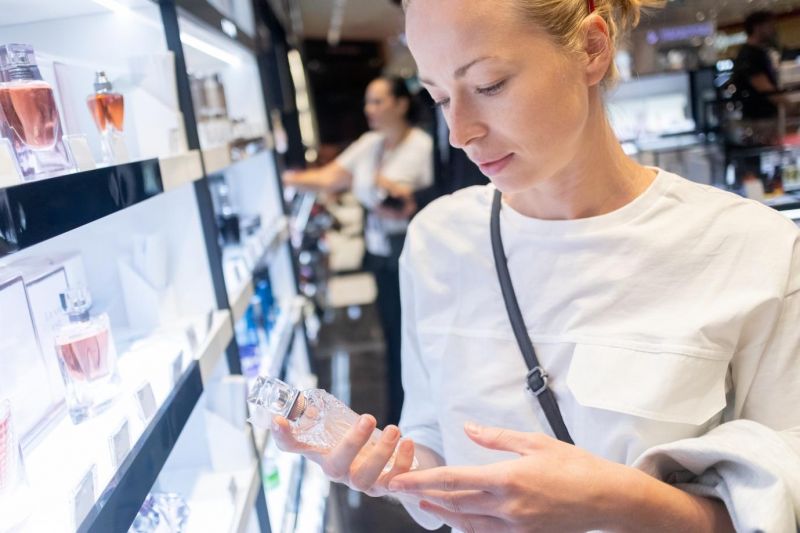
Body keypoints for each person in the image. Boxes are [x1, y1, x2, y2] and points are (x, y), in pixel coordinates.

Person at [274, 1, 800, 532]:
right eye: (437, 97)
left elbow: (787, 497)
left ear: (591, 48)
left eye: (489, 85)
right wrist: (394, 473)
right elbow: (433, 436)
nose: (460, 132)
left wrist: (624, 503)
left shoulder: (750, 248)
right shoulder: (438, 242)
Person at [284, 76, 433, 427]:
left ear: (400, 103)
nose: (370, 110)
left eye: (378, 101)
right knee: (393, 338)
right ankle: (400, 417)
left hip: (415, 256)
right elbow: (329, 177)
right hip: (382, 257)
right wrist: (283, 177)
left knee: (416, 339)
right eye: (368, 102)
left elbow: (420, 200)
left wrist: (395, 195)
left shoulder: (421, 146)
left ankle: (421, 419)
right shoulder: (371, 144)